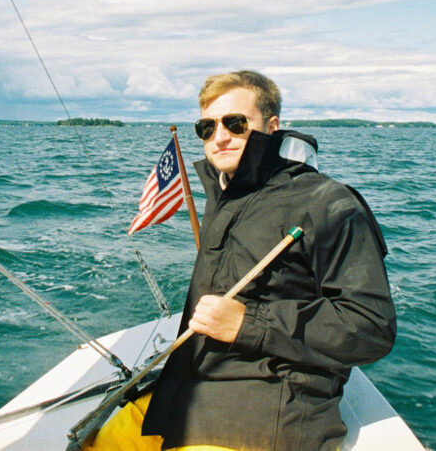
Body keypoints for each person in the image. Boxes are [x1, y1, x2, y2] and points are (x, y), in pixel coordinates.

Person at [87, 70, 396, 451]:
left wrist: (250, 324)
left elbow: (371, 326)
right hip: (192, 392)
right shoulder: (225, 195)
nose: (219, 137)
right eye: (206, 127)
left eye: (235, 123)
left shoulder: (327, 204)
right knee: (99, 442)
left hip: (269, 412)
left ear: (272, 125)